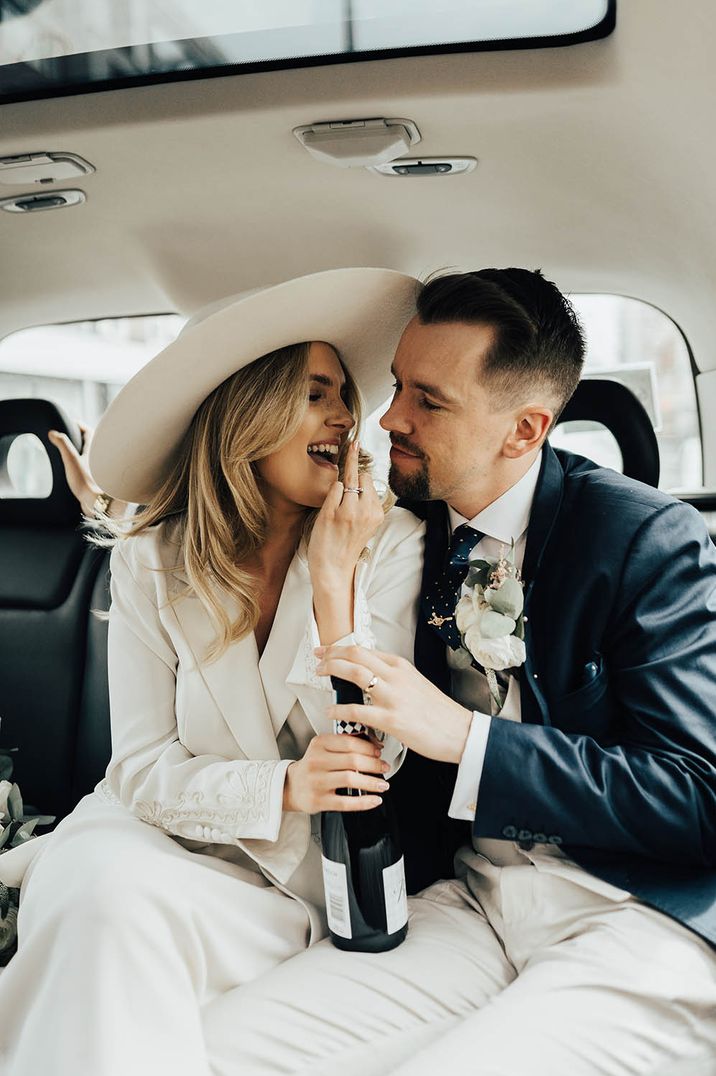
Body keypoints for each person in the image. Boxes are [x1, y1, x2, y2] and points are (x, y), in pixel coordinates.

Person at [201, 269, 716, 1076]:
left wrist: (466, 740)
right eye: (398, 384)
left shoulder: (648, 540)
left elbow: (696, 796)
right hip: (471, 901)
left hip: (635, 913)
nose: (387, 418)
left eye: (428, 401)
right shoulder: (396, 530)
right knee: (218, 1050)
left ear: (524, 429)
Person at [0, 267, 426, 1076]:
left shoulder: (390, 543)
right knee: (97, 888)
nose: (348, 417)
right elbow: (138, 769)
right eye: (317, 393)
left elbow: (379, 760)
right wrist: (283, 788)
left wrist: (334, 586)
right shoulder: (150, 559)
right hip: (142, 836)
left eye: (346, 396)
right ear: (247, 414)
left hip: (280, 884)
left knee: (108, 911)